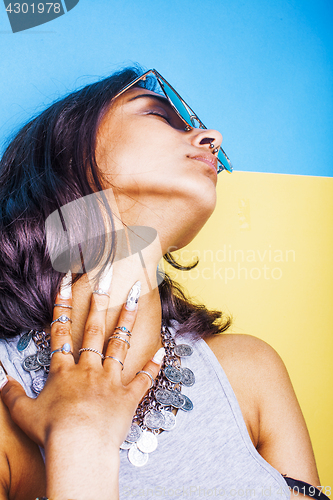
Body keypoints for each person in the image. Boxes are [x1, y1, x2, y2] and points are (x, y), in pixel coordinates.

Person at [0, 66, 322, 500]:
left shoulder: (251, 372)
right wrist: (81, 439)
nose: (213, 138)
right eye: (159, 115)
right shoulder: (7, 392)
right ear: (67, 149)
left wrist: (81, 443)